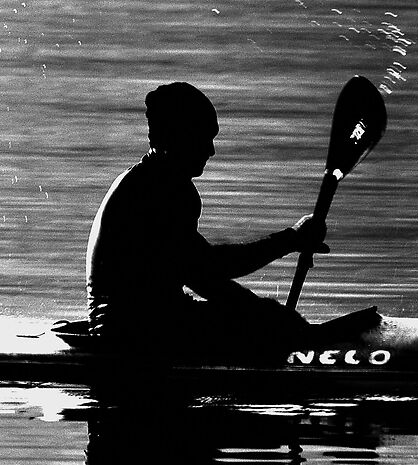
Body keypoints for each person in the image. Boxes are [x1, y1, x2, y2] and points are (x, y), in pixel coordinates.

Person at [84, 81, 328, 357]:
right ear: (175, 137)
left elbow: (203, 279)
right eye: (203, 138)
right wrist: (290, 239)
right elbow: (210, 267)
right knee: (265, 320)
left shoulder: (159, 183)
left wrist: (265, 313)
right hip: (131, 335)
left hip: (146, 322)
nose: (211, 151)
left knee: (265, 316)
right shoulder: (152, 191)